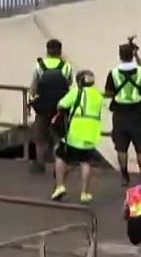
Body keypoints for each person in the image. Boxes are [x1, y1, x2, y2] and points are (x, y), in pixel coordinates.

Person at [52, 70, 103, 203]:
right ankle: (85, 193)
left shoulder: (77, 92)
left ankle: (60, 186)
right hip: (91, 134)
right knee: (85, 161)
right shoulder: (98, 95)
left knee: (60, 155)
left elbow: (61, 104)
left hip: (75, 132)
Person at [105, 40, 141, 185]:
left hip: (120, 113)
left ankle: (125, 175)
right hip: (138, 112)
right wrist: (137, 55)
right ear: (132, 55)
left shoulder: (113, 73)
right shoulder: (140, 71)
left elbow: (108, 92)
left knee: (121, 146)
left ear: (120, 55)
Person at [29, 39, 72, 174]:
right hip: (60, 108)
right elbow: (69, 83)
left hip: (42, 108)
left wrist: (32, 101)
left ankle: (40, 164)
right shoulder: (66, 66)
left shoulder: (39, 66)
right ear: (60, 51)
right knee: (59, 137)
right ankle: (57, 166)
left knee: (40, 137)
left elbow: (33, 87)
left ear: (47, 51)